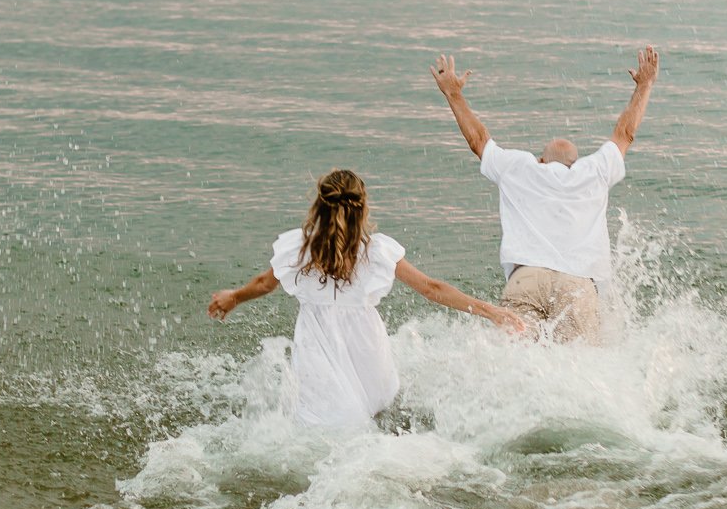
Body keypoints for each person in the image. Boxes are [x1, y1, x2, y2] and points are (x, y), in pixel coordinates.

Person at [206, 169, 525, 426]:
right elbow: (432, 288)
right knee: (377, 415)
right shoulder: (377, 250)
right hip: (366, 346)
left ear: (318, 207)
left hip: (319, 346)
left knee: (324, 423)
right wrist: (490, 311)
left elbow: (264, 284)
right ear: (363, 208)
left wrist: (234, 297)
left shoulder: (300, 249)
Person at [430, 45, 659, 342]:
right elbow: (625, 133)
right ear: (574, 163)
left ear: (540, 160)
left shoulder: (520, 167)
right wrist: (645, 85)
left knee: (517, 364)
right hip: (577, 284)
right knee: (579, 370)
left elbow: (478, 140)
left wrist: (454, 93)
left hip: (526, 279)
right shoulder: (594, 170)